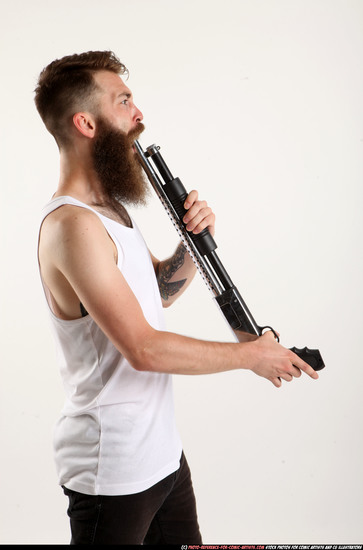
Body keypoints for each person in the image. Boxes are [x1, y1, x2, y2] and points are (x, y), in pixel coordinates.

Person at [34, 50, 319, 545]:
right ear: (85, 123)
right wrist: (251, 355)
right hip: (113, 475)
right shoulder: (71, 225)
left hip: (162, 458)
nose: (138, 113)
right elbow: (143, 349)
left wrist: (191, 244)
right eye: (123, 101)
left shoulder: (107, 210)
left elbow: (157, 292)